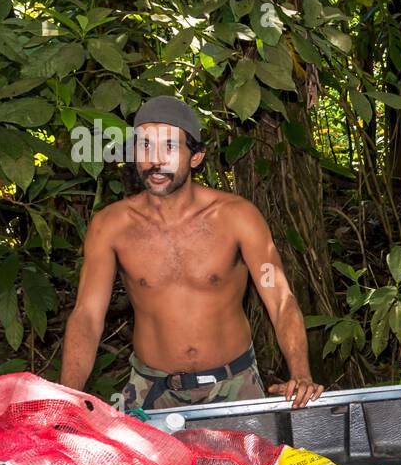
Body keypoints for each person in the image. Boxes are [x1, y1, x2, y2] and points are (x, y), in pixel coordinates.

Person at [60, 96, 325, 409]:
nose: (155, 160)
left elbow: (280, 300)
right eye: (145, 146)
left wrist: (301, 373)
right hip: (151, 389)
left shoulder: (237, 217)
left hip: (235, 383)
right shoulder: (110, 226)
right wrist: (69, 397)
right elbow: (87, 316)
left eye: (169, 147)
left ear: (196, 156)